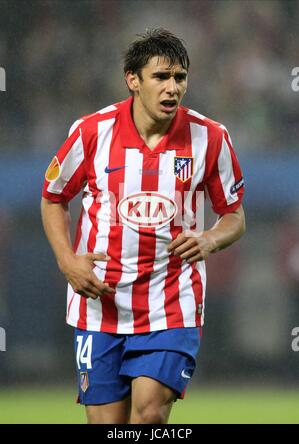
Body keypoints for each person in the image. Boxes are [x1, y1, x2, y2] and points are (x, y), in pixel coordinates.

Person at [41, 28, 246, 424]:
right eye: (161, 77)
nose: (173, 88)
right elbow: (53, 198)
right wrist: (68, 262)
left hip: (172, 301)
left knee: (149, 415)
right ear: (132, 79)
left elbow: (234, 215)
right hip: (100, 304)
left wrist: (210, 239)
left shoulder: (211, 138)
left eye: (180, 77)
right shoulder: (91, 132)